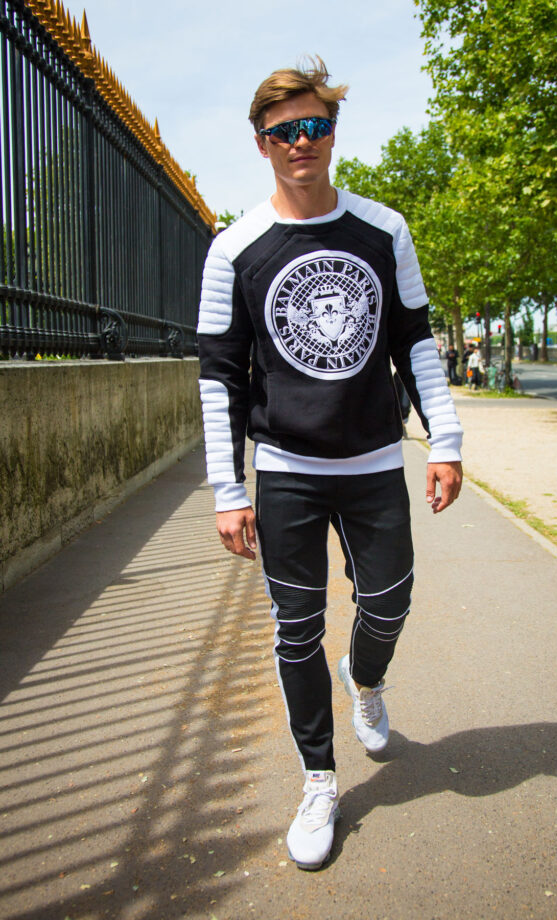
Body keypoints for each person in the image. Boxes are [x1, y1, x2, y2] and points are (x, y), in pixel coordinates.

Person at [197, 57, 463, 871]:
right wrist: (227, 488)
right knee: (296, 627)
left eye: (314, 126)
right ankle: (319, 779)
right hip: (286, 470)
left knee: (388, 603)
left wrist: (445, 440)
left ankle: (366, 679)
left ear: (333, 133)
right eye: (283, 132)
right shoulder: (234, 250)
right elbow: (219, 378)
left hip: (375, 459)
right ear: (261, 144)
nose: (300, 143)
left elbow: (416, 343)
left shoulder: (382, 231)